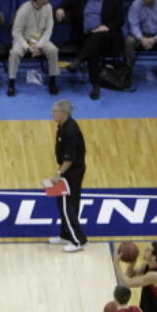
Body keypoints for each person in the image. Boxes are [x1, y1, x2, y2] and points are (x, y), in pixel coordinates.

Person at [56, 0, 123, 100]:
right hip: (85, 38)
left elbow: (119, 20)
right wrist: (60, 9)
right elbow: (66, 3)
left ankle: (78, 61)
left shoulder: (113, 0)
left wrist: (106, 27)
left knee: (97, 36)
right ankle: (95, 86)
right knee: (93, 51)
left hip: (107, 38)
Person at [46, 100, 87, 252]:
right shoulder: (63, 126)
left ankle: (78, 240)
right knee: (62, 203)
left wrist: (58, 173)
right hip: (68, 170)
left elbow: (69, 158)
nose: (53, 113)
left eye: (55, 111)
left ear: (64, 113)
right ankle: (65, 234)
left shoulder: (70, 130)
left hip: (71, 172)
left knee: (68, 206)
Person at [7, 0, 60, 97]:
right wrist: (27, 47)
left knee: (53, 50)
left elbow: (48, 30)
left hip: (41, 40)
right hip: (24, 40)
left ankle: (53, 81)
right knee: (14, 53)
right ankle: (11, 82)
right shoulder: (24, 9)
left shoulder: (49, 7)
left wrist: (38, 46)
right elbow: (16, 32)